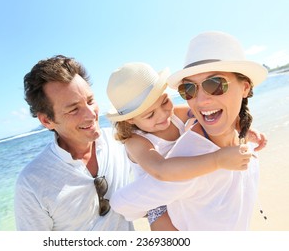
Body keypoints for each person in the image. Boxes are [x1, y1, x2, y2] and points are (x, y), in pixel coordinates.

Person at [109, 31, 268, 230]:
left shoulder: (177, 114)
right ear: (130, 120)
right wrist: (218, 160)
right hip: (158, 197)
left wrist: (244, 128)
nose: (163, 116)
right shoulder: (135, 141)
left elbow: (208, 114)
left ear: (245, 87)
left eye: (215, 84)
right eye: (190, 89)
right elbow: (160, 171)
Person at [14, 55, 134, 231]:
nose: (90, 114)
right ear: (47, 121)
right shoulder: (32, 183)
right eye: (74, 109)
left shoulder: (120, 140)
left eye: (90, 101)